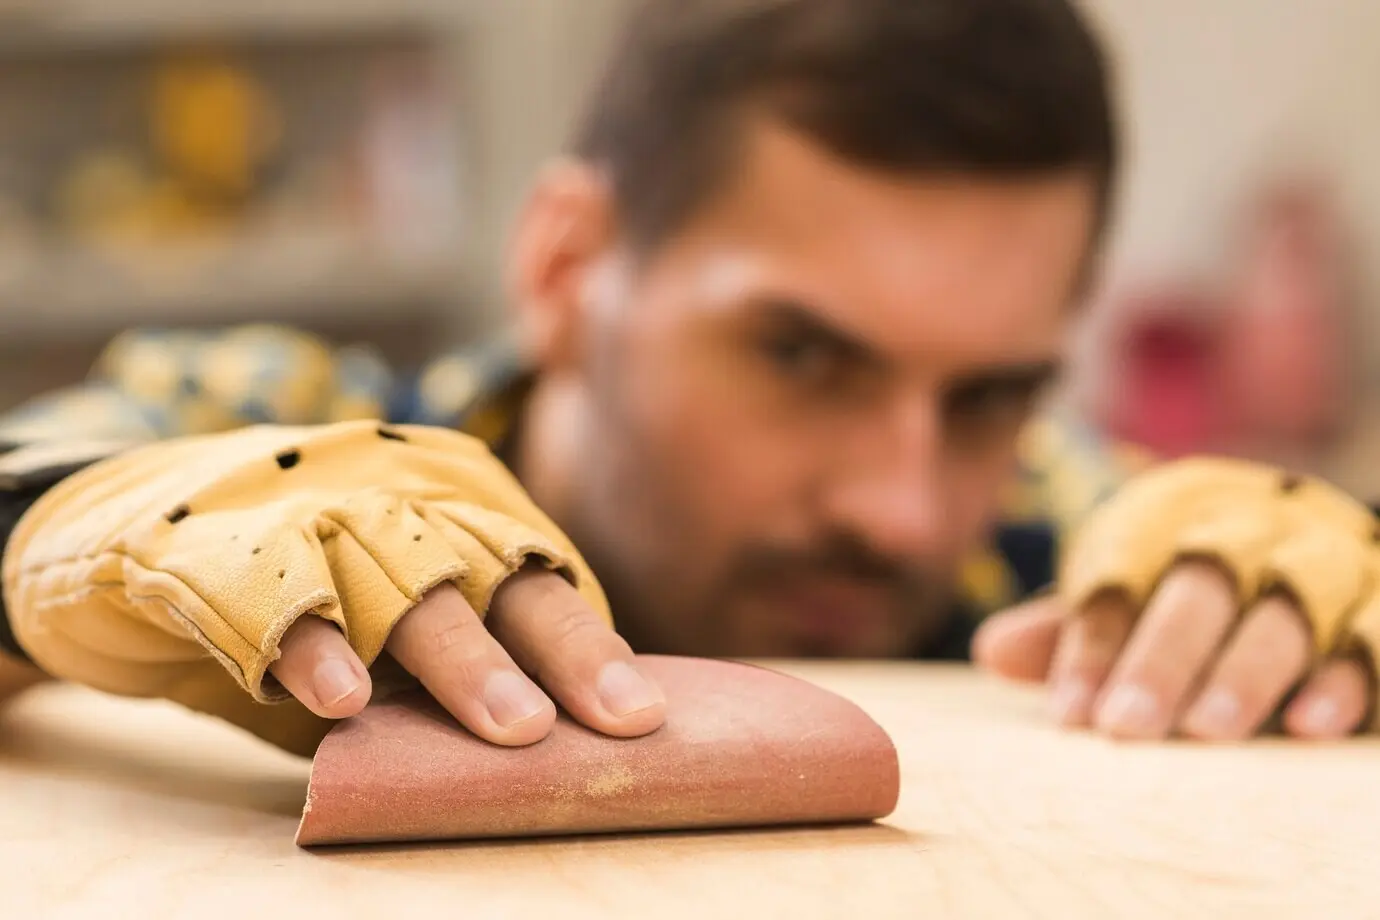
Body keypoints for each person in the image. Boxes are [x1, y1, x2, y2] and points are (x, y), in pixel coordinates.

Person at [0, 0, 1374, 758]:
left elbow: (1245, 567)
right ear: (563, 269)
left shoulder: (1058, 537)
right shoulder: (272, 424)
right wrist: (72, 535)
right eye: (801, 356)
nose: (901, 510)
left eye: (986, 398)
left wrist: (1316, 615)